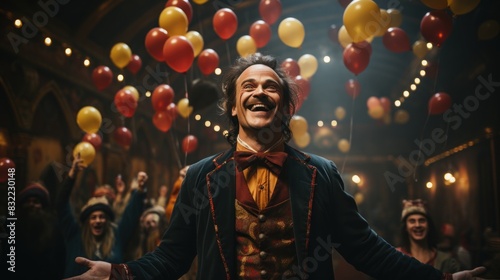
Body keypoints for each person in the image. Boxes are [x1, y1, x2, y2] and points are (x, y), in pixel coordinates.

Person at [65, 54, 487, 280]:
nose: (260, 92)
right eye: (248, 86)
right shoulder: (198, 176)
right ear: (232, 106)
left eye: (271, 87)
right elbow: (172, 258)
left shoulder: (320, 173)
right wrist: (118, 273)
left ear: (285, 107)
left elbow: (367, 248)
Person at [57, 154, 148, 278]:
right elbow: (61, 204)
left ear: (107, 220)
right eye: (93, 217)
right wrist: (72, 176)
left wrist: (140, 191)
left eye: (102, 216)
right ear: (88, 221)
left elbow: (130, 215)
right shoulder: (75, 235)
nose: (98, 220)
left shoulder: (116, 235)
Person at [14, 182, 66, 279]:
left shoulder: (54, 231)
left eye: (35, 201)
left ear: (43, 206)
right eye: (28, 201)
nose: (31, 205)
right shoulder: (13, 228)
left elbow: (59, 262)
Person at [396, 199, 462, 273]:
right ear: (405, 227)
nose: (417, 225)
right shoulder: (396, 257)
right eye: (412, 221)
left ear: (428, 225)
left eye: (422, 220)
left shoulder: (445, 260)